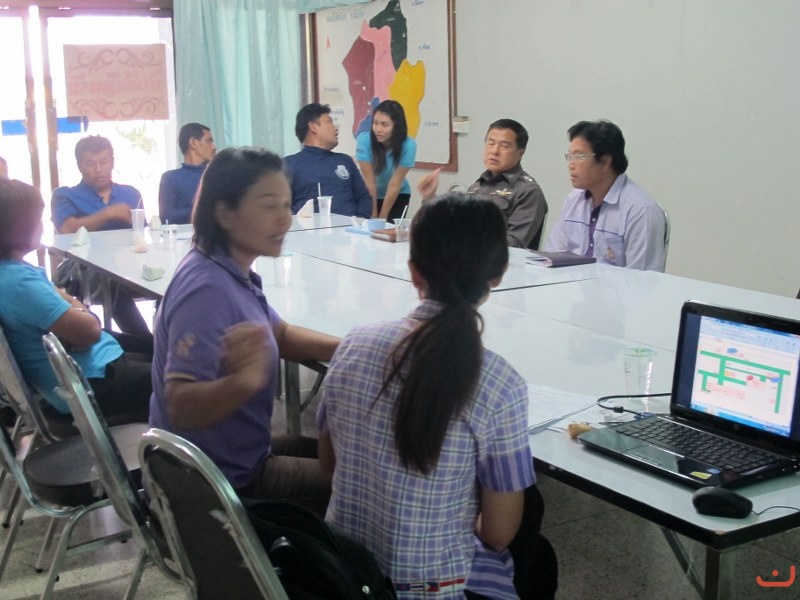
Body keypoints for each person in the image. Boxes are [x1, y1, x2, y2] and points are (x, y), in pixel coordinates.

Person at [317, 194, 551, 599]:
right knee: (538, 555)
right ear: (497, 275)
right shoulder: (500, 384)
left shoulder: (354, 344)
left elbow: (328, 465)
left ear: (413, 271)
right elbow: (497, 535)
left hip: (344, 575)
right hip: (431, 589)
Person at [149, 147, 339, 515]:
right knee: (363, 484)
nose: (285, 219)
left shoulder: (226, 269)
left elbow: (280, 335)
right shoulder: (208, 291)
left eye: (287, 205)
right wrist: (244, 381)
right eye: (269, 207)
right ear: (225, 213)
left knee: (347, 457)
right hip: (216, 485)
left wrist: (352, 346)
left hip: (230, 457)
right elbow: (181, 405)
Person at [0, 178, 151, 423]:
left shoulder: (11, 272)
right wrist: (71, 301)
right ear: (16, 228)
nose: (42, 225)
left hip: (86, 368)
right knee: (181, 375)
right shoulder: (19, 283)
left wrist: (64, 299)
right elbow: (90, 331)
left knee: (155, 348)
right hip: (89, 384)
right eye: (36, 219)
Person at [51, 135, 153, 341]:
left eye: (104, 162)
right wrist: (109, 214)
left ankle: (165, 336)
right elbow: (67, 229)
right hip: (84, 270)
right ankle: (147, 342)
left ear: (112, 162)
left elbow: (142, 233)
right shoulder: (65, 195)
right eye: (91, 163)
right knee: (111, 281)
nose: (99, 169)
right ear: (79, 165)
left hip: (131, 264)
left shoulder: (130, 193)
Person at [543, 119, 666, 271]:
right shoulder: (573, 199)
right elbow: (553, 257)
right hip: (570, 285)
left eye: (579, 156)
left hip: (615, 287)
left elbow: (642, 279)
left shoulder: (641, 211)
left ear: (605, 162)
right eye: (570, 156)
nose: (571, 164)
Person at [417, 119, 548, 248]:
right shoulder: (477, 186)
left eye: (504, 146)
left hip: (499, 260)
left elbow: (514, 244)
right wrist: (430, 196)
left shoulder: (528, 191)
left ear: (521, 152)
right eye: (491, 143)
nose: (494, 151)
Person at [284, 103, 372, 218]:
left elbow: (363, 197)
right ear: (313, 127)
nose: (336, 128)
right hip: (309, 228)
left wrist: (359, 222)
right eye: (329, 122)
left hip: (351, 228)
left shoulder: (345, 161)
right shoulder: (289, 165)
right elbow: (280, 207)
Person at [356, 99, 417, 221]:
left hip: (398, 195)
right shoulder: (364, 140)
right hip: (369, 194)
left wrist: (382, 218)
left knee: (388, 230)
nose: (378, 129)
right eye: (375, 123)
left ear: (397, 126)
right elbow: (370, 181)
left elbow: (395, 183)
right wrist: (374, 215)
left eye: (385, 124)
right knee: (369, 228)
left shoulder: (409, 145)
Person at [158, 122, 216, 225]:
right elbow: (166, 218)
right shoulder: (171, 178)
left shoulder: (217, 176)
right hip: (183, 235)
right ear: (193, 142)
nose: (214, 147)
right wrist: (202, 208)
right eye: (209, 141)